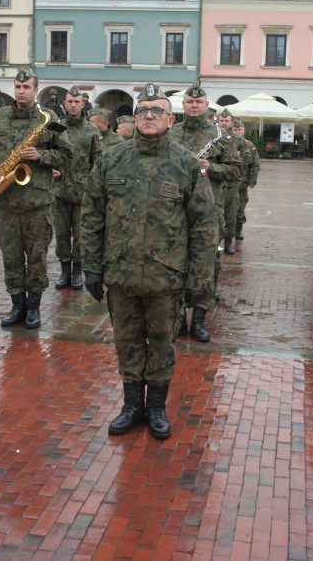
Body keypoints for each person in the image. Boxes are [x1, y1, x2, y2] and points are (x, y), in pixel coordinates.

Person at [80, 83, 217, 440]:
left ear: (171, 120)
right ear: (135, 117)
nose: (150, 116)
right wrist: (92, 266)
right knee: (126, 341)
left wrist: (199, 280)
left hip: (166, 278)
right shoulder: (112, 159)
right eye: (144, 110)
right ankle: (131, 406)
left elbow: (204, 225)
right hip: (121, 274)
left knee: (161, 343)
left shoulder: (185, 163)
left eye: (158, 111)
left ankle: (156, 407)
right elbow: (92, 216)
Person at [0, 67, 72, 330]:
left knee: (37, 257)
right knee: (11, 258)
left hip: (38, 205)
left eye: (26, 87)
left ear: (35, 89)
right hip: (5, 203)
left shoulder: (49, 118)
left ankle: (33, 309)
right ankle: (16, 305)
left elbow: (67, 154)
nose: (21, 91)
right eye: (18, 87)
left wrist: (40, 156)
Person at [171, 81, 241, 341]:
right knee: (175, 261)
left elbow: (236, 170)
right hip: (174, 207)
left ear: (207, 105)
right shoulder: (171, 132)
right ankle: (178, 319)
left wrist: (210, 167)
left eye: (199, 102)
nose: (194, 105)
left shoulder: (222, 136)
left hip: (209, 208)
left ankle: (199, 318)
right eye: (190, 101)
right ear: (183, 104)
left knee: (208, 263)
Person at [52, 86, 102, 290]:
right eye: (70, 101)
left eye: (77, 102)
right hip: (59, 191)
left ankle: (77, 273)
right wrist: (51, 167)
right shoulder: (56, 128)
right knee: (62, 234)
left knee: (81, 235)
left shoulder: (92, 130)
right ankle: (64, 271)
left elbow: (98, 161)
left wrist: (94, 188)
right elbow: (47, 153)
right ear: (65, 104)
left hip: (83, 193)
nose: (73, 105)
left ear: (83, 104)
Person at [216, 108, 247, 255]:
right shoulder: (213, 136)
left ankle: (228, 242)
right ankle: (216, 242)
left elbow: (242, 161)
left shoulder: (239, 140)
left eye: (226, 121)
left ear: (232, 123)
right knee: (216, 213)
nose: (223, 123)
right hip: (217, 182)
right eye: (221, 121)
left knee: (230, 214)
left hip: (232, 184)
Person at [232, 119, 260, 241]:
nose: (237, 132)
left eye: (240, 130)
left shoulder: (250, 146)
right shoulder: (227, 144)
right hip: (228, 183)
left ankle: (238, 231)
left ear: (244, 131)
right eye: (235, 130)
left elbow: (255, 164)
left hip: (242, 184)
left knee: (240, 207)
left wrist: (253, 180)